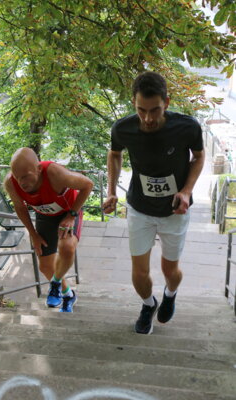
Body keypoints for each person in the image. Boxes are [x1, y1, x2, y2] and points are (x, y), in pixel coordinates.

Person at [103, 71, 205, 334]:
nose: (147, 118)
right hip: (140, 208)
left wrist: (186, 190)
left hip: (175, 210)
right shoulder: (122, 128)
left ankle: (170, 293)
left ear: (167, 103)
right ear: (134, 103)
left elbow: (199, 156)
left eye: (155, 110)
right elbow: (114, 154)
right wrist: (111, 190)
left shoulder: (187, 126)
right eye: (141, 110)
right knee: (139, 271)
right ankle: (148, 304)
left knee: (170, 270)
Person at [4, 147, 93, 312]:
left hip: (68, 211)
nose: (22, 183)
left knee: (66, 247)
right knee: (45, 266)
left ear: (38, 169)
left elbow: (88, 184)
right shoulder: (11, 183)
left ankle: (55, 282)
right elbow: (20, 208)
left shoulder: (55, 173)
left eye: (25, 176)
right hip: (45, 216)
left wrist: (72, 215)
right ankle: (67, 294)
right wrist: (33, 234)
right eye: (18, 177)